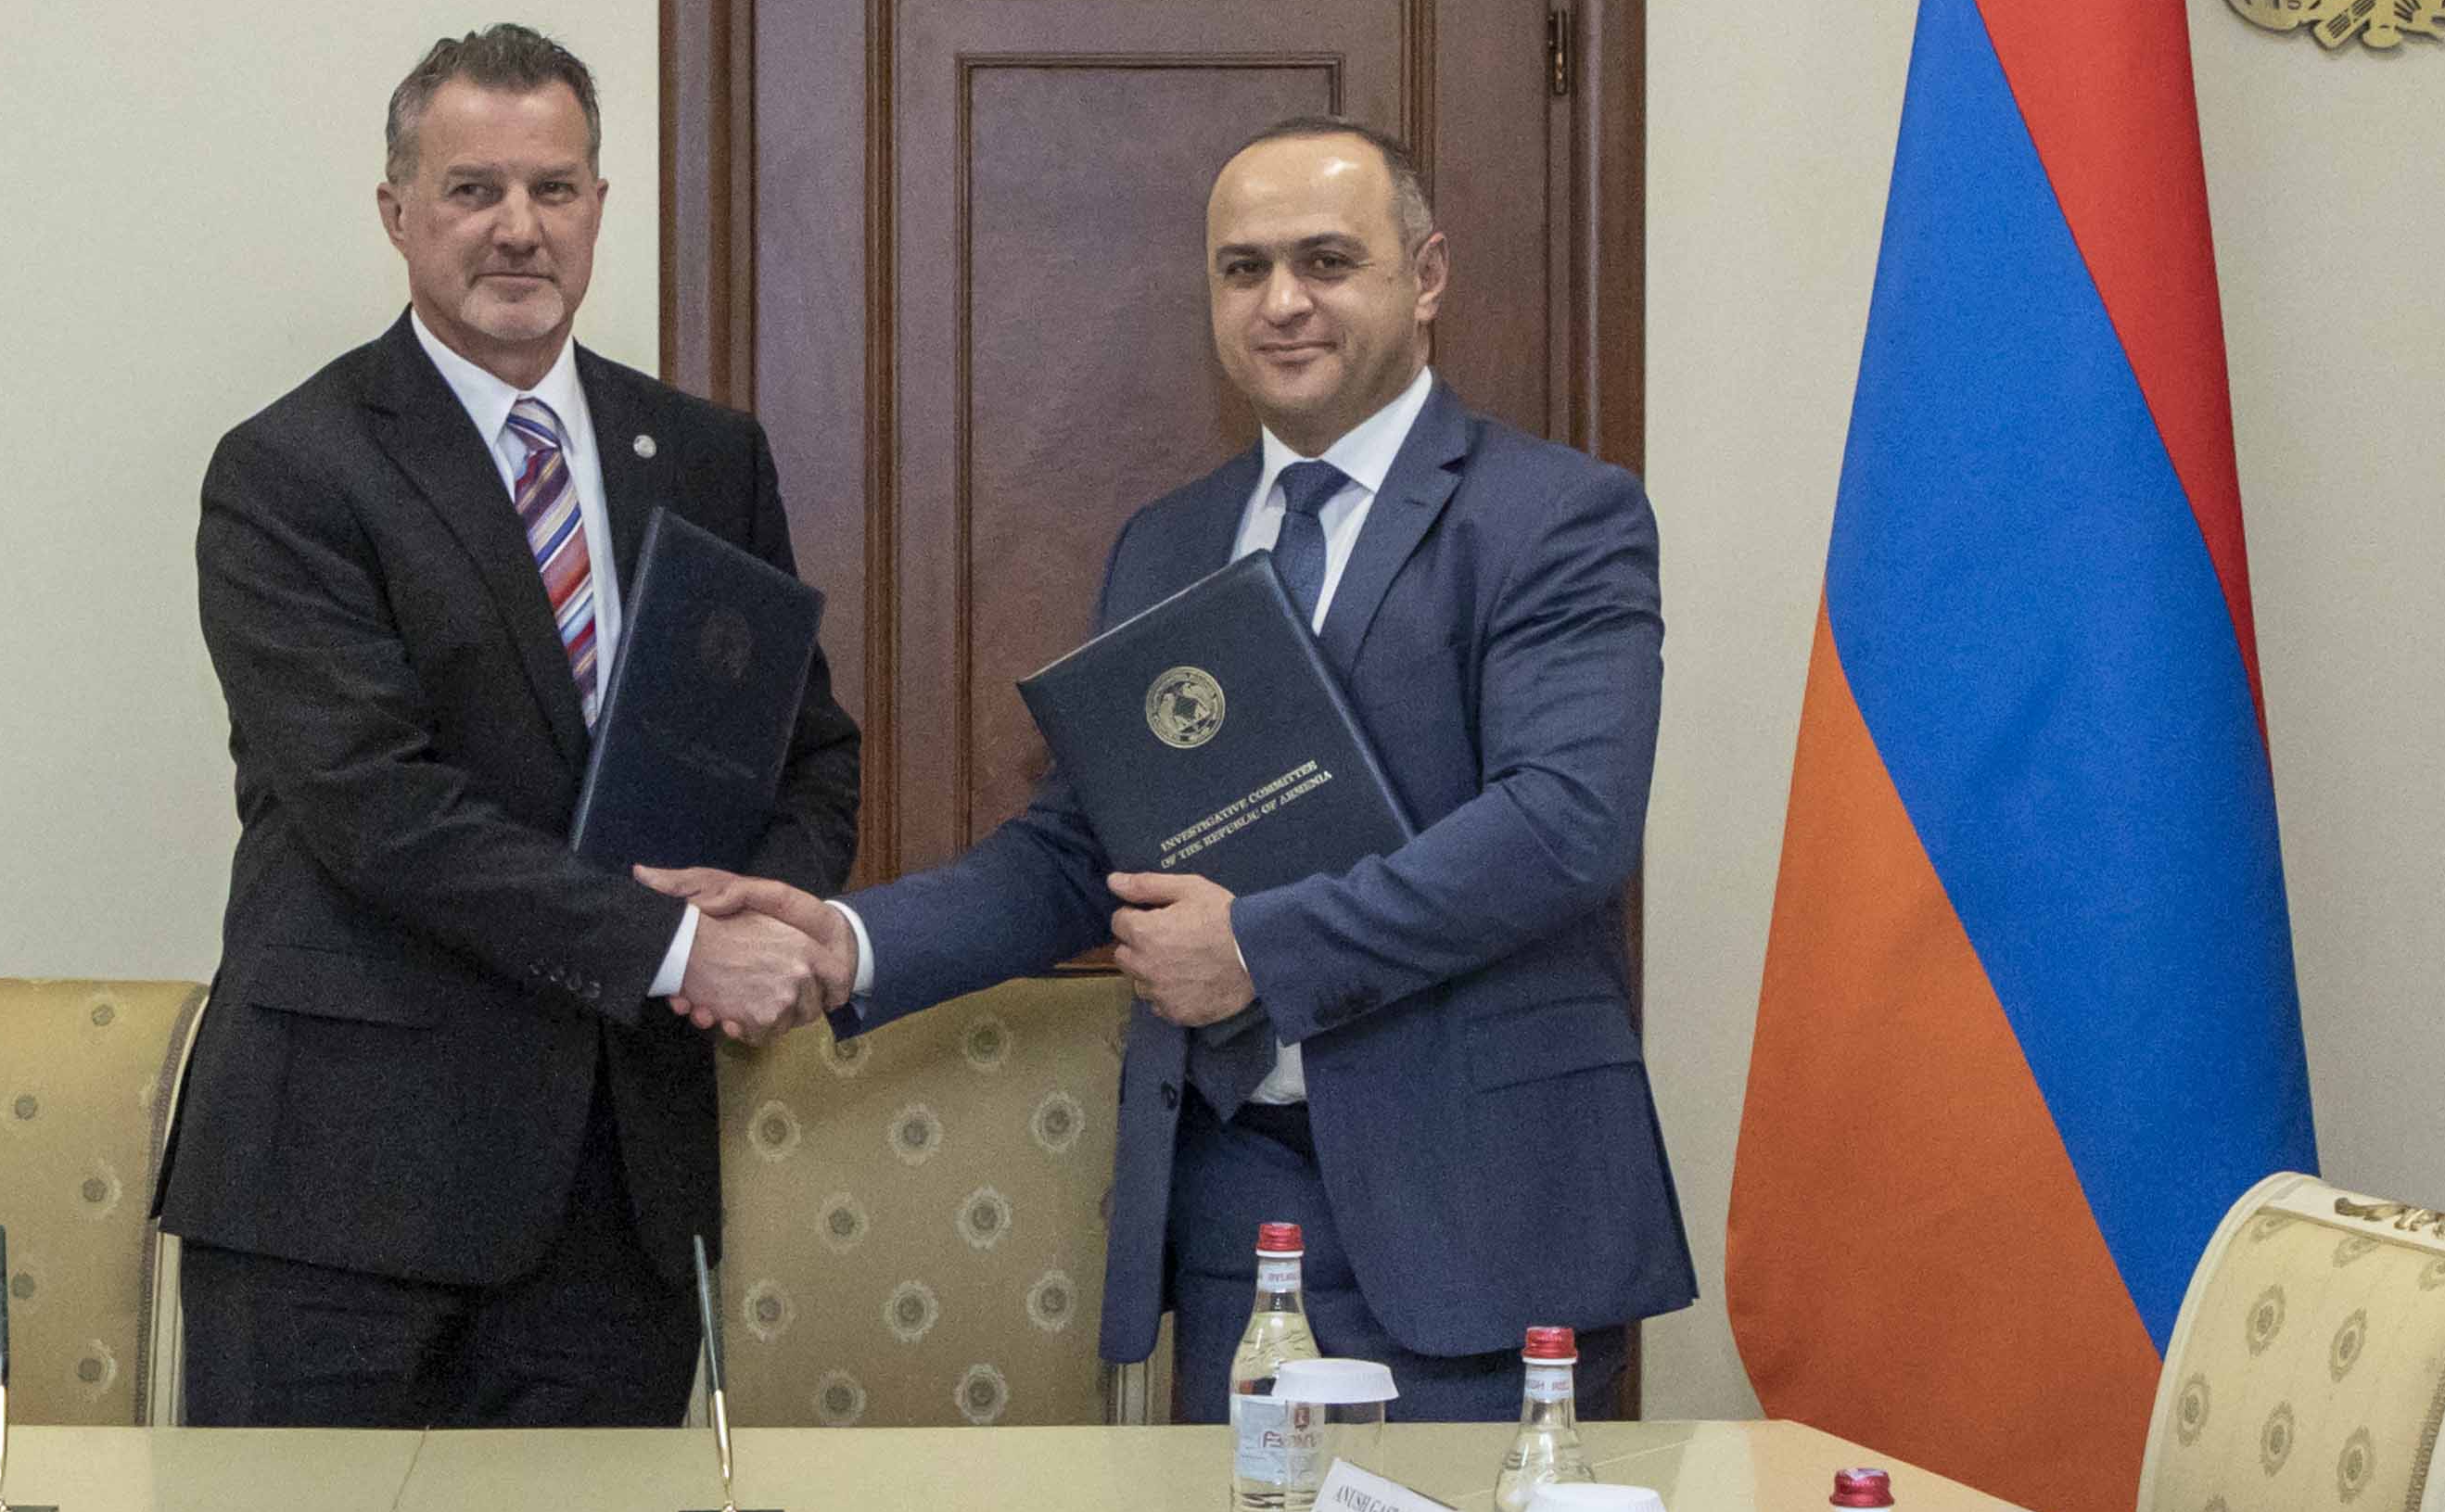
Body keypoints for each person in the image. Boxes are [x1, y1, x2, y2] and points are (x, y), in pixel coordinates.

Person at [664, 118, 1685, 1419]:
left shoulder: (1556, 518)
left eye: (1327, 260)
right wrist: (848, 942)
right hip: (1234, 1205)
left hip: (1487, 1212)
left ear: (1427, 276)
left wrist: (1257, 948)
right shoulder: (1169, 545)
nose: (1282, 302)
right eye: (1243, 269)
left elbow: (1563, 826)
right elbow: (1081, 851)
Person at [159, 27, 860, 1425]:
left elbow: (807, 754)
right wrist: (681, 951)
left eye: (554, 188)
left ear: (600, 205)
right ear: (396, 213)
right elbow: (379, 809)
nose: (519, 228)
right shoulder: (291, 470)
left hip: (618, 1192)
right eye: (473, 189)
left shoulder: (707, 457)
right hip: (342, 1198)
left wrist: (765, 912)